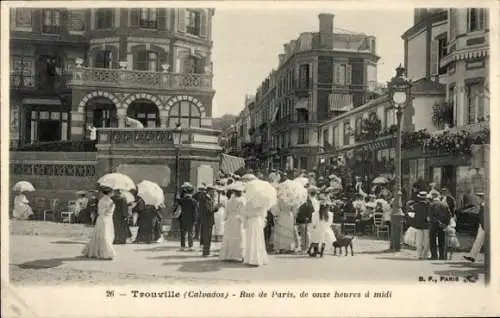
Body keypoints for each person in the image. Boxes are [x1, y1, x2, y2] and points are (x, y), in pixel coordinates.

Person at [82, 187, 116, 260]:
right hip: (105, 220)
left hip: (105, 219)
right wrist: (109, 207)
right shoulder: (108, 201)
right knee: (104, 235)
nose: (113, 193)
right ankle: (106, 253)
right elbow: (101, 212)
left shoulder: (103, 200)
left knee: (102, 235)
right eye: (112, 192)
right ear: (109, 193)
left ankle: (99, 252)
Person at [220, 182, 246, 262]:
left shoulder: (229, 201)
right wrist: (243, 219)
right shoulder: (241, 200)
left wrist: (225, 218)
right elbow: (242, 212)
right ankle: (238, 255)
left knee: (229, 236)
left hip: (230, 219)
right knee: (238, 236)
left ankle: (228, 255)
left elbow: (226, 212)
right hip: (237, 219)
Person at [242, 190, 269, 267]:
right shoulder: (262, 203)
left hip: (251, 221)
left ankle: (251, 258)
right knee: (258, 239)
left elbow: (244, 212)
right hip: (258, 221)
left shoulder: (248, 202)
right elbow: (264, 214)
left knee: (251, 239)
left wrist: (249, 215)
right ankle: (258, 258)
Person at [428, 190, 451, 260]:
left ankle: (434, 255)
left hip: (434, 224)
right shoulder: (445, 205)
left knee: (432, 240)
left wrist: (436, 221)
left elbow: (430, 216)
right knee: (442, 240)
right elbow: (449, 215)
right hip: (442, 224)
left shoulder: (431, 204)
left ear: (433, 197)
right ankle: (442, 256)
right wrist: (445, 224)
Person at [464, 193, 486, 263]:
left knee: (480, 240)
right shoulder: (482, 205)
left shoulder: (484, 205)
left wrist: (483, 226)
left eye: (478, 198)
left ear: (481, 198)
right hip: (482, 225)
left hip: (484, 225)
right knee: (478, 240)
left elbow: (484, 217)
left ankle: (472, 256)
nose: (477, 200)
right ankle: (472, 256)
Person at [177, 183, 198, 251]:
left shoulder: (181, 200)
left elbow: (178, 208)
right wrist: (195, 219)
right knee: (190, 232)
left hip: (183, 218)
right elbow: (195, 212)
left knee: (183, 233)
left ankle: (182, 246)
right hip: (191, 219)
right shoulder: (194, 201)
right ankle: (190, 246)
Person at [296, 187, 317, 253]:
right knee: (308, 234)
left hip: (307, 219)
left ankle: (305, 248)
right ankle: (307, 247)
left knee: (305, 234)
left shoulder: (309, 201)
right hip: (312, 220)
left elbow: (310, 210)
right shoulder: (315, 201)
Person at [199, 185, 218, 256]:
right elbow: (209, 210)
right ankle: (206, 252)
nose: (214, 193)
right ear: (210, 191)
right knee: (207, 236)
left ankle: (206, 251)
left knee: (208, 236)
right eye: (213, 192)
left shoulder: (207, 198)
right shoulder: (206, 198)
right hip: (207, 220)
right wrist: (216, 207)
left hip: (207, 220)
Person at [411, 191, 430, 259]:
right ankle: (426, 255)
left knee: (419, 241)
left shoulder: (415, 205)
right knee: (426, 241)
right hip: (426, 225)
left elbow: (411, 215)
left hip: (418, 225)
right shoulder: (429, 205)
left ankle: (419, 255)